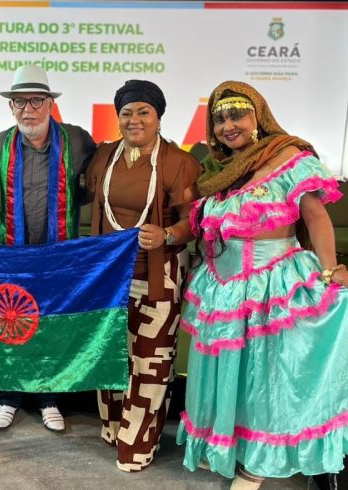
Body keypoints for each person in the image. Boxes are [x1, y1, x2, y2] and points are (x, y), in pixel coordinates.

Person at [176, 81, 348, 489]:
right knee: (229, 373)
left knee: (265, 377)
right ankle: (229, 445)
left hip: (273, 285)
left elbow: (316, 218)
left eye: (237, 115)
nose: (228, 126)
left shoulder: (289, 156)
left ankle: (257, 465)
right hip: (222, 288)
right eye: (220, 119)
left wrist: (330, 271)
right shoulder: (217, 169)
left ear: (258, 116)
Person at [84, 80, 201, 471]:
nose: (134, 120)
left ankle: (139, 443)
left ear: (159, 117)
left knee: (150, 360)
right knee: (111, 353)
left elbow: (193, 222)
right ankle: (115, 427)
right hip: (109, 276)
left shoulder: (179, 162)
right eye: (126, 113)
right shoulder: (104, 156)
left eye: (143, 112)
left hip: (157, 274)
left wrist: (167, 235)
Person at [0, 64, 96, 431]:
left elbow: (99, 182)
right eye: (20, 102)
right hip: (13, 255)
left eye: (36, 100)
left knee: (52, 324)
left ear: (50, 103)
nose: (28, 109)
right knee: (11, 321)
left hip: (59, 255)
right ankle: (10, 396)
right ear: (10, 107)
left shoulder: (77, 141)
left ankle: (49, 397)